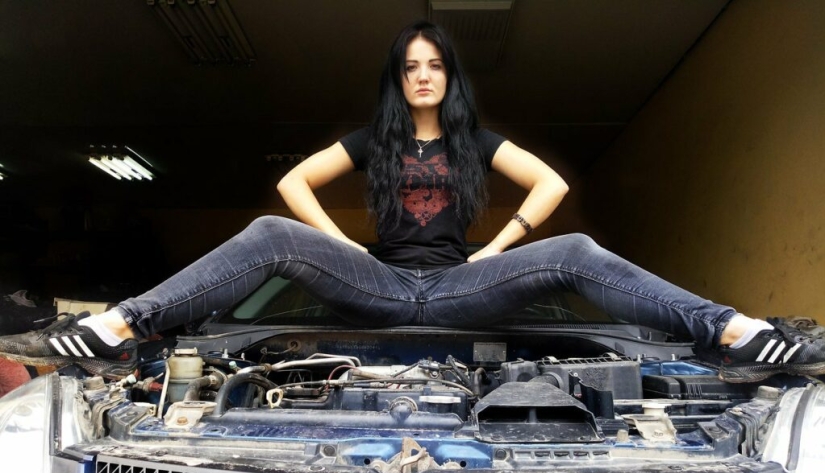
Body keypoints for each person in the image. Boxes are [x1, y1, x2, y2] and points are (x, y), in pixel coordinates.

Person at [0, 20, 822, 384]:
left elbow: (551, 185)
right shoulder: (372, 139)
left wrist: (495, 249)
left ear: (448, 76)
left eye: (434, 65)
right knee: (269, 228)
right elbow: (293, 184)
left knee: (575, 250)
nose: (422, 75)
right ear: (397, 79)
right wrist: (343, 247)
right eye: (409, 66)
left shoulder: (476, 141)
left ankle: (738, 332)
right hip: (380, 285)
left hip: (460, 287)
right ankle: (112, 328)